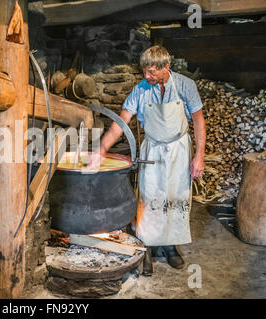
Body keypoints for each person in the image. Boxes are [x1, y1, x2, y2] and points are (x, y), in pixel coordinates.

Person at [87, 45, 206, 275]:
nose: (146, 77)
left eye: (151, 72)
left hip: (178, 150)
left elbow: (199, 121)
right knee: (150, 197)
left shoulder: (185, 86)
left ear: (166, 67)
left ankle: (169, 245)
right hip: (152, 149)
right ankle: (147, 247)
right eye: (144, 72)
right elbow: (122, 121)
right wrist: (102, 148)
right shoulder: (141, 90)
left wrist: (199, 156)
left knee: (175, 196)